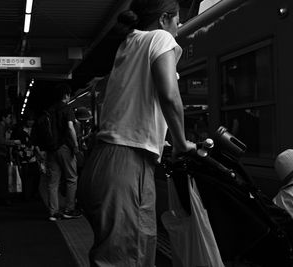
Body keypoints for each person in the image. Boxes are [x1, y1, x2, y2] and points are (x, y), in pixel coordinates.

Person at [78, 1, 196, 265]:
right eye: (178, 20)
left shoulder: (128, 43)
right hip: (127, 166)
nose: (179, 27)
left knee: (129, 255)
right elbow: (169, 95)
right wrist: (180, 142)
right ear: (164, 18)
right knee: (128, 258)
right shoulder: (160, 37)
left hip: (103, 164)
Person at [41, 82, 82, 221]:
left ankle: (53, 212)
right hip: (65, 147)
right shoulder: (67, 108)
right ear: (66, 95)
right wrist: (75, 146)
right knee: (71, 178)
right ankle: (69, 209)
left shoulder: (50, 110)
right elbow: (70, 127)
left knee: (53, 182)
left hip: (51, 148)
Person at [0, 108, 21, 205]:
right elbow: (1, 141)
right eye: (9, 117)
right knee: (0, 178)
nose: (10, 120)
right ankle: (0, 198)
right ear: (3, 118)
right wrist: (14, 142)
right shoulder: (0, 126)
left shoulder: (1, 126)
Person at [11, 112, 41, 200]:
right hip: (22, 156)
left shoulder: (35, 130)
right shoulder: (19, 130)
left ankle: (33, 193)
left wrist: (38, 153)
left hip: (32, 156)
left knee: (36, 175)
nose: (31, 122)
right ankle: (25, 195)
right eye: (29, 120)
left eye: (32, 120)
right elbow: (14, 141)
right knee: (24, 177)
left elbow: (36, 142)